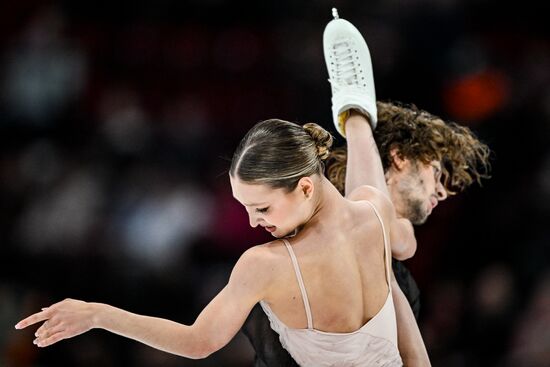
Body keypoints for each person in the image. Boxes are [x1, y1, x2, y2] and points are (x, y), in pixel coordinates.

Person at [16, 119, 411, 365]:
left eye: (262, 208)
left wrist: (97, 314)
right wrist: (356, 118)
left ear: (305, 186)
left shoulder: (267, 263)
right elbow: (365, 172)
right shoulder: (376, 212)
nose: (254, 223)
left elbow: (198, 342)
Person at [241, 9, 491, 367]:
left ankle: (354, 110)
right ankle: (354, 111)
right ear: (399, 158)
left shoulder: (387, 255)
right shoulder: (322, 216)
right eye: (436, 173)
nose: (443, 191)